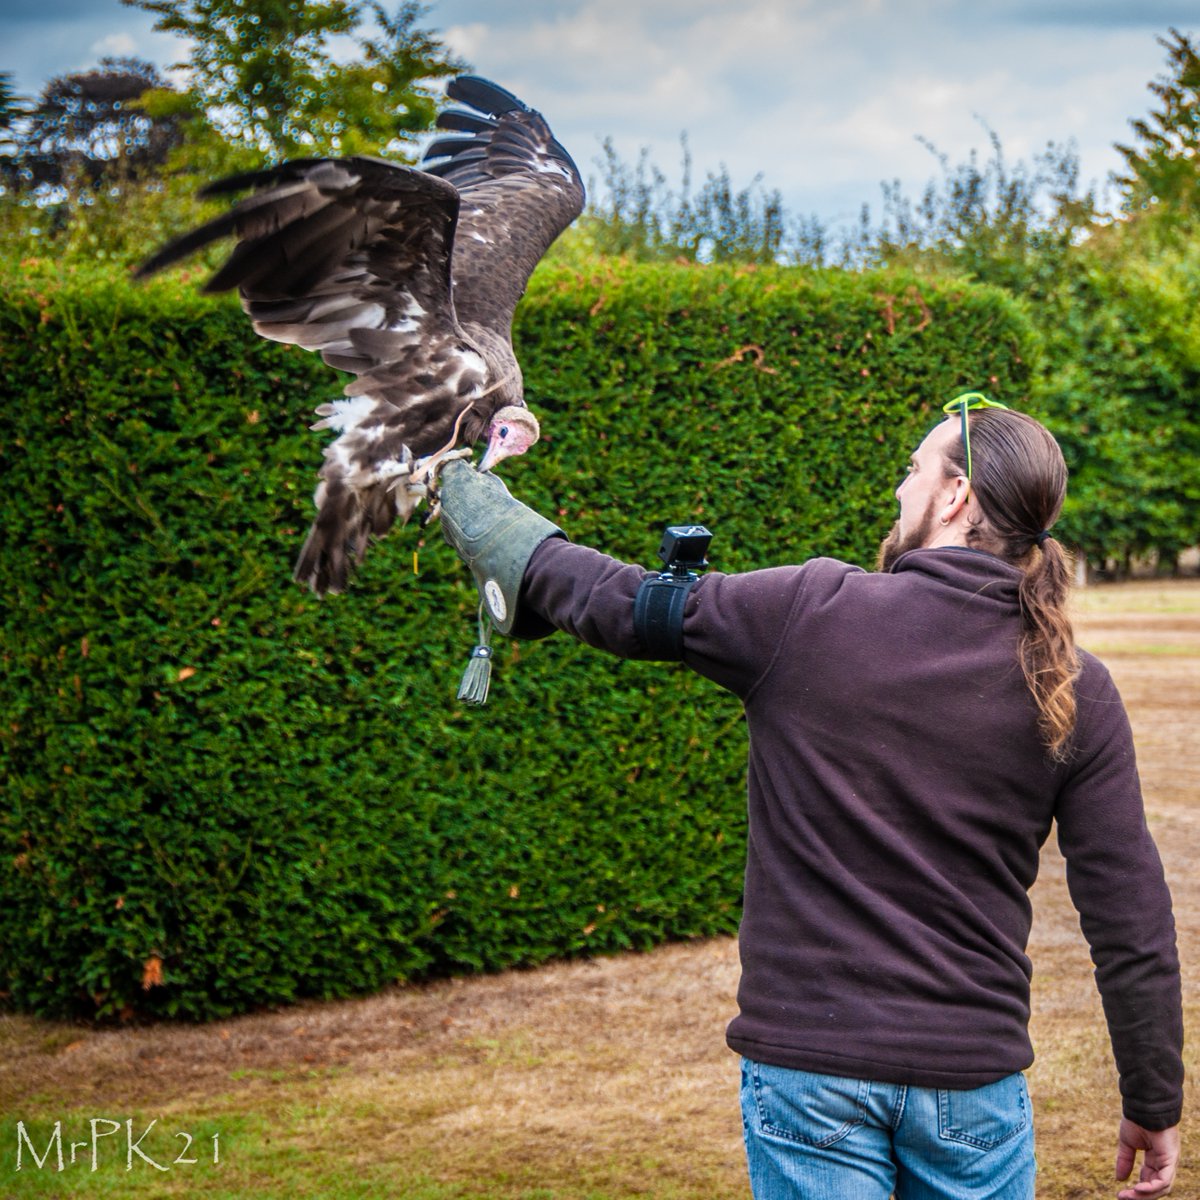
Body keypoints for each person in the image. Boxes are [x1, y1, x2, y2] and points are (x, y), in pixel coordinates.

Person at [438, 395, 1184, 1199]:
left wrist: (490, 517)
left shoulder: (810, 611)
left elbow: (625, 604)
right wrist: (1153, 1098)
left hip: (808, 1077)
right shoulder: (1076, 685)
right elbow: (1130, 917)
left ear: (956, 495)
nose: (899, 490)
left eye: (914, 470)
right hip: (973, 1087)